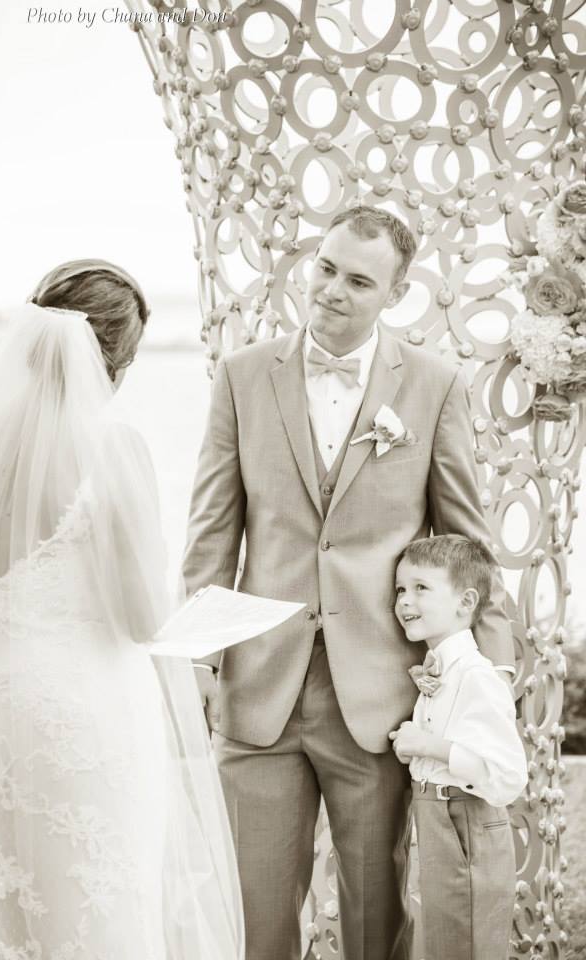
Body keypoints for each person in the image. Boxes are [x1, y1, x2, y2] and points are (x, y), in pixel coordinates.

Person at [182, 205, 516, 960]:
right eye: (326, 268)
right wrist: (199, 659)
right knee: (254, 919)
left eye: (359, 281)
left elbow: (467, 542)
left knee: (375, 916)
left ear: (394, 294)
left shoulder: (433, 385)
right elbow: (211, 534)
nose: (331, 289)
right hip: (256, 687)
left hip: (380, 698)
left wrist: (491, 676)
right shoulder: (242, 376)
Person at [0, 260, 244, 960]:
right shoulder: (112, 448)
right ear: (117, 361)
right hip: (80, 708)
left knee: (1, 908)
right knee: (95, 901)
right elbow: (142, 619)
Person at [390, 535, 527, 960]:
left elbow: (508, 776)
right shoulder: (439, 670)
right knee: (445, 942)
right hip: (437, 819)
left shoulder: (477, 677)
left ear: (466, 602)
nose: (404, 600)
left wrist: (429, 745)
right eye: (400, 589)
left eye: (421, 588)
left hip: (467, 824)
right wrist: (413, 747)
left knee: (468, 942)